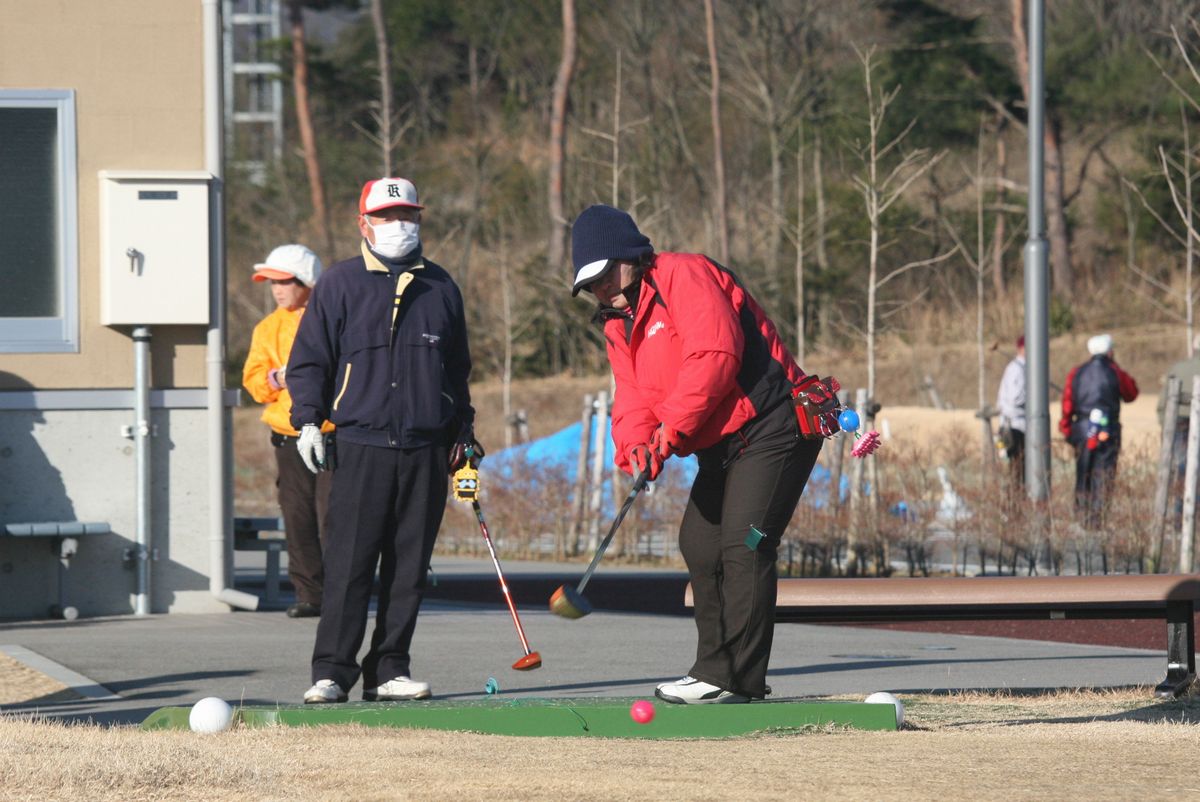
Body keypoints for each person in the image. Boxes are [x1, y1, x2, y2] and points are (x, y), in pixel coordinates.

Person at [569, 204, 826, 705]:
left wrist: (671, 433)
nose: (600, 290)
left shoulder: (683, 274)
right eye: (590, 285)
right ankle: (715, 670)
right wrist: (638, 447)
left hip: (776, 423)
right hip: (722, 443)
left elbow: (715, 356)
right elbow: (632, 396)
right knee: (700, 543)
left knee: (745, 543)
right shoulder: (618, 325)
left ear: (630, 257)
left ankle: (735, 679)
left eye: (604, 276)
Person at [286, 177, 480, 704]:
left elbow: (456, 372)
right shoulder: (340, 284)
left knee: (409, 568)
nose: (400, 225)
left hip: (425, 448)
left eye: (409, 216)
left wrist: (464, 432)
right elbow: (310, 361)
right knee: (348, 565)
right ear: (364, 223)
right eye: (389, 216)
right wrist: (307, 420)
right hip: (360, 445)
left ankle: (390, 668)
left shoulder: (441, 287)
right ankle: (331, 671)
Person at [241, 244, 333, 619]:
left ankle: (342, 593)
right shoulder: (268, 327)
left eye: (283, 281)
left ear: (307, 282)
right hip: (288, 435)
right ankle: (310, 595)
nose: (276, 290)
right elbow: (253, 382)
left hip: (334, 434)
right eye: (271, 283)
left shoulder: (334, 318)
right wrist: (279, 377)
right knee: (297, 516)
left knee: (334, 517)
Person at [1059, 333, 1139, 529]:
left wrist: (1067, 428)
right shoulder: (1115, 372)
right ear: (1110, 351)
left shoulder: (1077, 372)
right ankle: (1098, 520)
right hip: (1108, 429)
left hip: (1082, 428)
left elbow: (1067, 403)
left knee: (1083, 472)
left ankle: (1081, 517)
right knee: (1104, 474)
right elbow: (1131, 393)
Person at [995, 335, 1026, 484]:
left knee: (1018, 470)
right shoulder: (1017, 369)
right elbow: (1016, 398)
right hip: (1014, 427)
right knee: (1017, 471)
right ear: (1021, 348)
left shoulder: (1022, 367)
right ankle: (1016, 503)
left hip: (1016, 425)